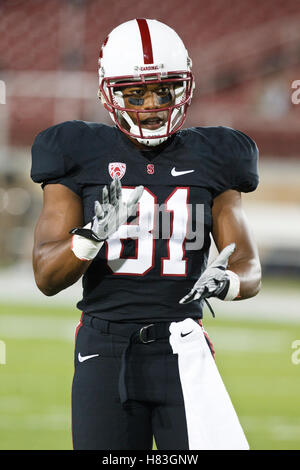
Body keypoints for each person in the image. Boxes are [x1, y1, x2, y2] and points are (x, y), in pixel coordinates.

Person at [31, 18, 261, 450]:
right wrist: (90, 235)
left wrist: (227, 282)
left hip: (182, 343)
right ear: (108, 93)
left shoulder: (218, 155)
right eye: (134, 94)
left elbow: (249, 266)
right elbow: (46, 276)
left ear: (185, 87)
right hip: (104, 348)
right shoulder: (74, 149)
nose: (152, 104)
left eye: (165, 90)